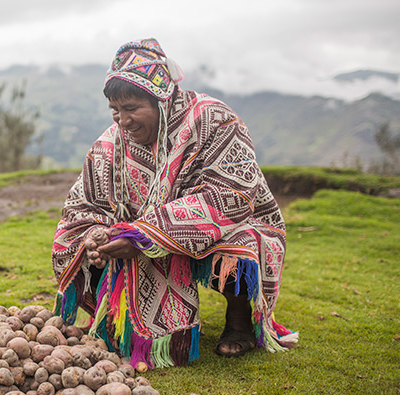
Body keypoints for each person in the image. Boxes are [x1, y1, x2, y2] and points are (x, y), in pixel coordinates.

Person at [52, 39, 297, 369]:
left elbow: (230, 199)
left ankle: (239, 319)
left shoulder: (215, 122)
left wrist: (145, 235)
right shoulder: (109, 145)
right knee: (71, 243)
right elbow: (83, 206)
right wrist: (96, 234)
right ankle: (114, 318)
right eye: (115, 110)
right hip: (143, 233)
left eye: (131, 108)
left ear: (162, 100)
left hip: (229, 226)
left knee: (242, 247)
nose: (122, 120)